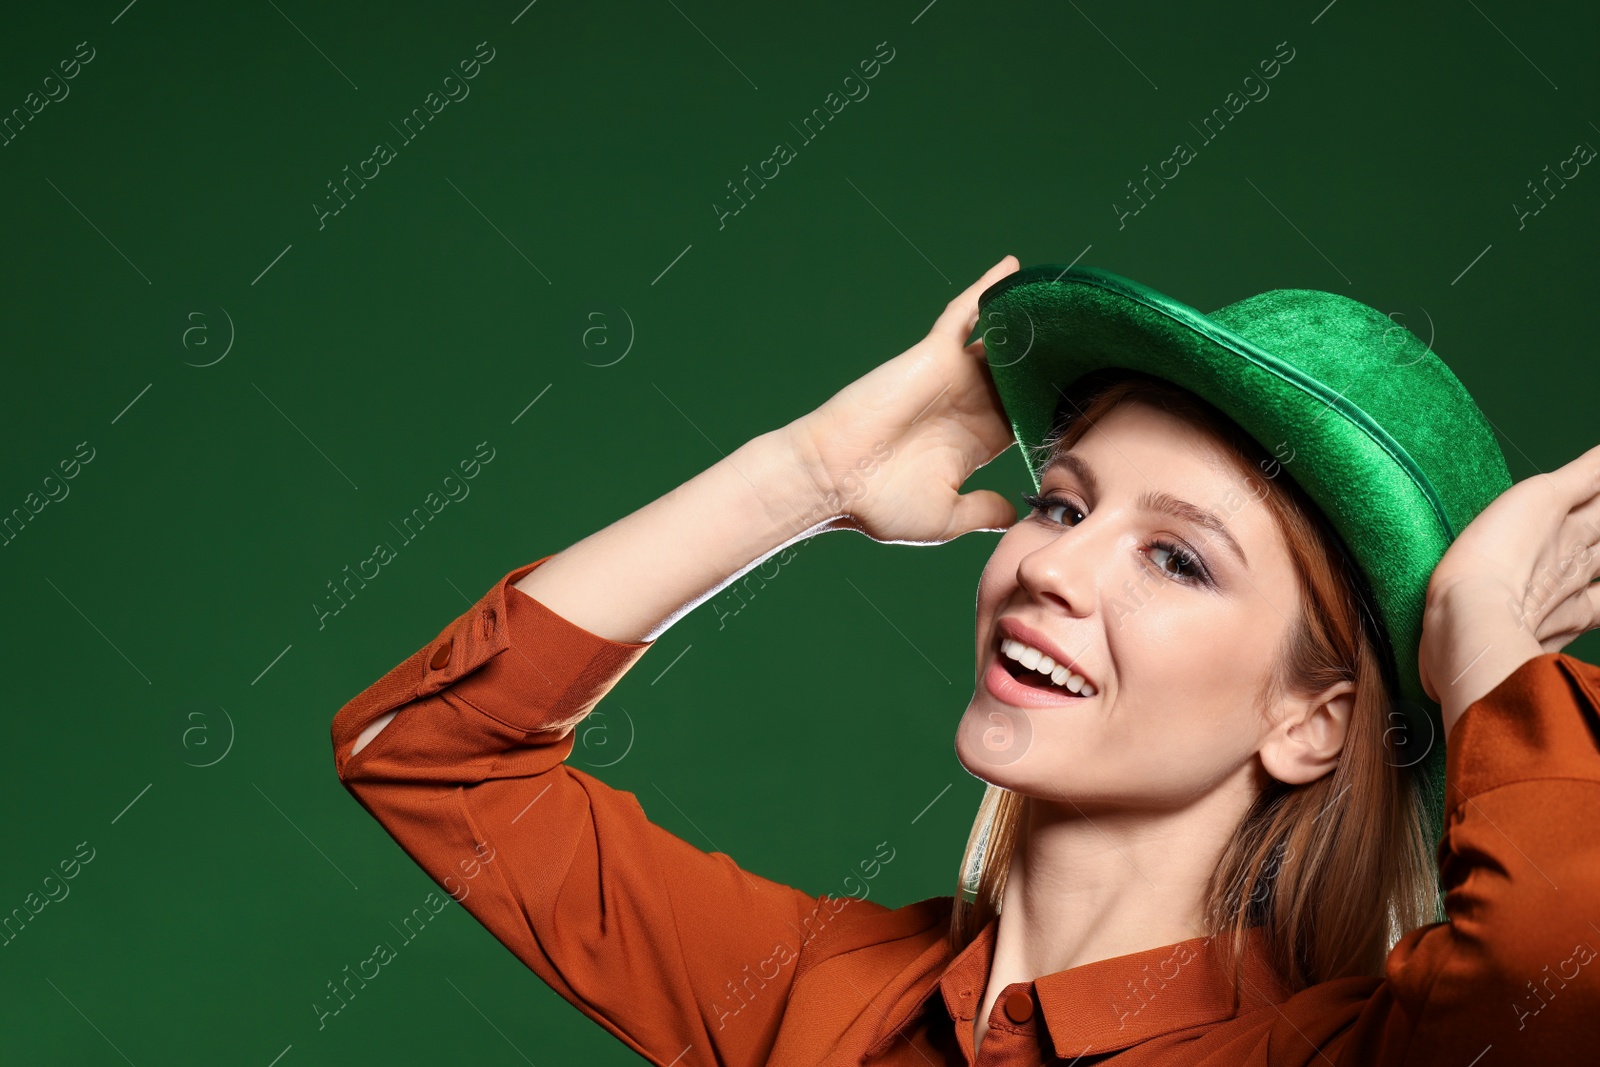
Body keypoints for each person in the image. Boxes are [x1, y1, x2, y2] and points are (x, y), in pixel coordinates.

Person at [330, 256, 1600, 1065]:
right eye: (1061, 503)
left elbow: (1564, 970)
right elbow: (430, 752)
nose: (1050, 565)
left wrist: (1482, 646)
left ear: (1312, 720)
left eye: (1177, 559)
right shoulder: (817, 999)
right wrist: (807, 475)